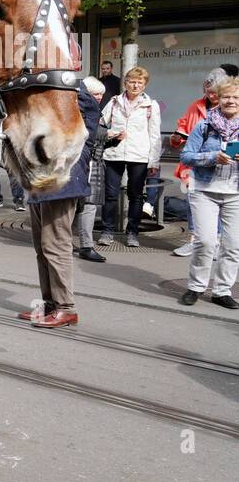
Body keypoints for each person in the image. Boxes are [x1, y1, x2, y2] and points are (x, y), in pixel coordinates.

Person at [20, 82, 101, 328]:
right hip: (39, 178)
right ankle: (50, 303)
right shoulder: (41, 90)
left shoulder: (71, 89)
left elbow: (90, 116)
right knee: (41, 246)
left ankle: (66, 307)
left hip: (62, 179)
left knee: (54, 245)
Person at [178, 78, 239, 310]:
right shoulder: (205, 125)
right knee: (205, 241)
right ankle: (195, 286)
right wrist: (212, 157)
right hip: (205, 190)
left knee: (233, 245)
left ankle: (222, 291)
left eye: (235, 97)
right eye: (226, 97)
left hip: (235, 192)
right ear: (218, 99)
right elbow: (186, 156)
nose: (230, 101)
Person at [98, 66, 161, 248]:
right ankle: (107, 231)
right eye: (132, 81)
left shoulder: (151, 105)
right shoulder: (114, 101)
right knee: (110, 195)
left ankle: (132, 232)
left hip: (138, 155)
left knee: (136, 196)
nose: (135, 85)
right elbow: (101, 125)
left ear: (145, 85)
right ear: (125, 82)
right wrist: (111, 133)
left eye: (139, 82)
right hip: (114, 153)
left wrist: (154, 160)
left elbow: (155, 134)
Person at [170, 67, 230, 257]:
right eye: (208, 92)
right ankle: (195, 240)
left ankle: (217, 242)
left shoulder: (229, 109)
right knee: (192, 203)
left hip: (224, 167)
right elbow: (184, 125)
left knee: (220, 206)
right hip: (195, 163)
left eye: (215, 92)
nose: (211, 96)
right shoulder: (196, 105)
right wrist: (177, 137)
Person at [74, 77, 107, 262]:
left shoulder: (87, 107)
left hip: (91, 161)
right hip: (85, 161)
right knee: (86, 205)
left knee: (85, 205)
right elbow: (90, 135)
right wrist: (107, 134)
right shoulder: (83, 108)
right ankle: (86, 246)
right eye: (96, 94)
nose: (100, 97)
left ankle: (77, 243)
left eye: (102, 94)